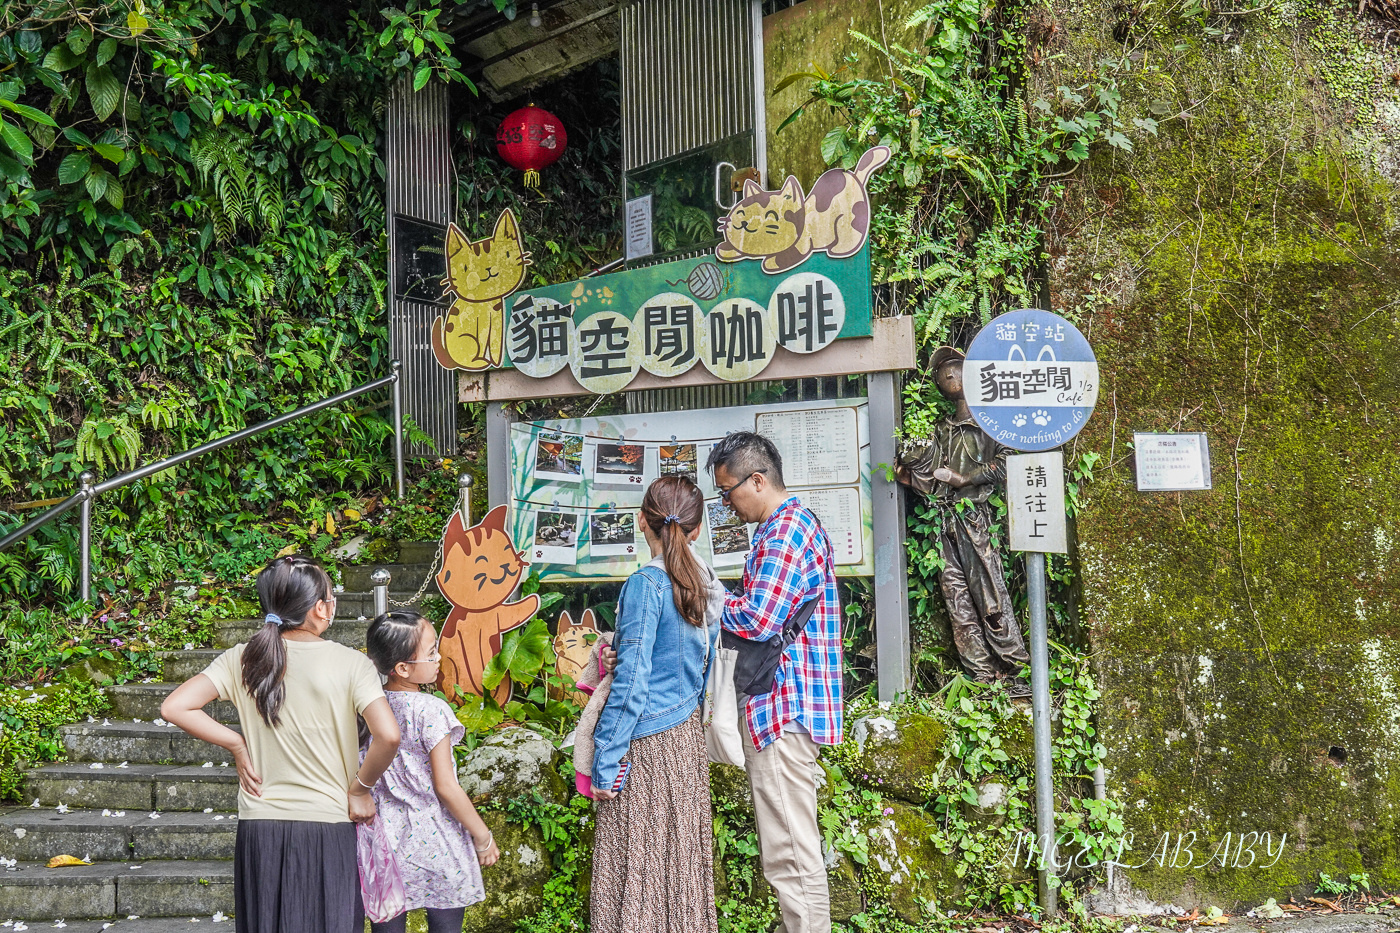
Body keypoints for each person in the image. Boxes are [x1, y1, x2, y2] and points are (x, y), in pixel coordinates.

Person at [161, 555, 400, 933]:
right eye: (331, 596)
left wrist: (236, 744)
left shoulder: (242, 658)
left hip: (260, 827)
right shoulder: (352, 663)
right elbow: (388, 735)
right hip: (327, 825)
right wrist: (361, 790)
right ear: (320, 608)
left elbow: (175, 706)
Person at [705, 431, 841, 933]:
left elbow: (761, 618)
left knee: (789, 849)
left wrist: (709, 599)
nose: (726, 504)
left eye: (728, 492)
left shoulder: (785, 531)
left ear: (757, 481)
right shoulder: (785, 528)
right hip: (784, 705)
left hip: (782, 708)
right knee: (788, 842)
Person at [590, 474, 724, 933]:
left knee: (638, 868)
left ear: (640, 524)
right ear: (698, 530)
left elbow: (632, 684)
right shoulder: (704, 585)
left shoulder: (647, 584)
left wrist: (606, 760)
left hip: (645, 745)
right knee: (679, 869)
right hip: (685, 740)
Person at [895, 346, 1030, 693]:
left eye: (956, 369)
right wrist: (914, 477)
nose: (950, 377)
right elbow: (931, 475)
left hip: (975, 518)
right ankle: (981, 672)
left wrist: (965, 479)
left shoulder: (990, 424)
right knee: (956, 596)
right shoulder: (939, 429)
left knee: (990, 591)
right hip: (943, 522)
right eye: (944, 373)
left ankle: (1015, 669)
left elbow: (1008, 460)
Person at [362, 610, 501, 933]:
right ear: (402, 668)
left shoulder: (369, 705)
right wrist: (482, 835)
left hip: (384, 839)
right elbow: (446, 787)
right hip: (437, 840)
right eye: (431, 652)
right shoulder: (432, 710)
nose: (439, 657)